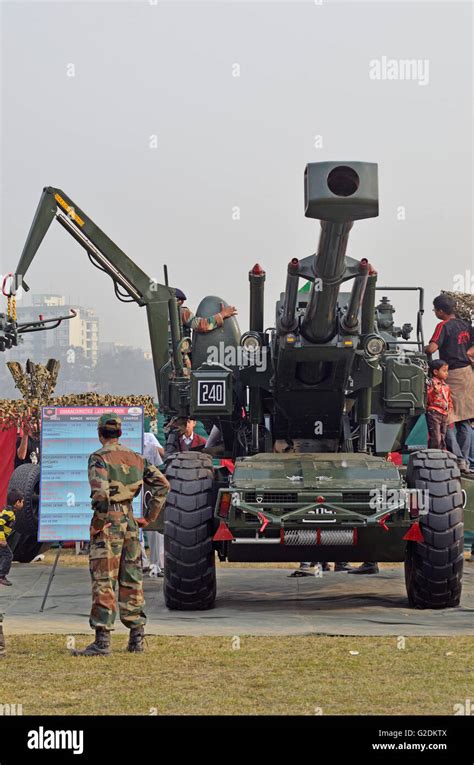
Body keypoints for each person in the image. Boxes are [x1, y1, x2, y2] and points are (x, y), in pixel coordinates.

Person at [71, 414, 170, 657]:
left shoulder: (99, 458)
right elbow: (162, 485)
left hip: (109, 523)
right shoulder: (137, 458)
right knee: (132, 578)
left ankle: (103, 641)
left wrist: (99, 522)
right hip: (130, 522)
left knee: (104, 579)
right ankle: (136, 638)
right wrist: (150, 516)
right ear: (120, 434)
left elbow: (101, 494)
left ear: (100, 433)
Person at [425, 294, 474, 475]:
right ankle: (466, 462)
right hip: (469, 375)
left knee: (447, 418)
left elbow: (432, 348)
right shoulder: (467, 325)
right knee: (466, 421)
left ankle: (459, 459)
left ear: (440, 311)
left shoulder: (443, 325)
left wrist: (424, 350)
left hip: (452, 375)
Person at [143, 431, 165, 578]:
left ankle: (158, 564)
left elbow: (159, 468)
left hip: (147, 488)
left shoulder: (150, 443)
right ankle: (141, 564)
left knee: (154, 527)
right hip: (128, 489)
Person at [425, 360, 453, 450]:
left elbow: (448, 399)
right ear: (436, 372)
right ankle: (433, 453)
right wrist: (433, 391)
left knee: (443, 436)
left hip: (444, 414)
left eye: (447, 371)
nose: (447, 373)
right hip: (434, 412)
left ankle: (441, 453)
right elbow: (428, 398)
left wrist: (449, 408)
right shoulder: (431, 384)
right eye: (444, 371)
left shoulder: (446, 386)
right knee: (436, 436)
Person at [0, 489, 24, 586]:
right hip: (0, 539)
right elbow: (0, 522)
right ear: (17, 502)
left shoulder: (8, 510)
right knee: (8, 555)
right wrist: (1, 539)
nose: (23, 503)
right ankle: (1, 576)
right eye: (22, 501)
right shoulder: (9, 513)